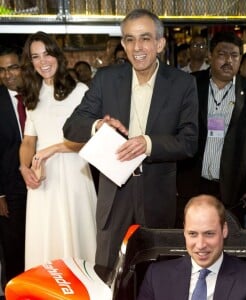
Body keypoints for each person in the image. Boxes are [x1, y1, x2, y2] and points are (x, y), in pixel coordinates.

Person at [63, 8, 199, 270]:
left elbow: (190, 141)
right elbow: (72, 126)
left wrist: (148, 143)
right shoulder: (106, 79)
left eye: (145, 38)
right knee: (109, 271)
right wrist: (98, 125)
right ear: (123, 44)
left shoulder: (182, 84)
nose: (137, 47)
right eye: (129, 39)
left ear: (159, 43)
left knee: (156, 274)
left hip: (157, 194)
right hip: (115, 195)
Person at [19, 31, 97, 270]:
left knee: (78, 240)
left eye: (47, 53)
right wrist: (24, 167)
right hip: (42, 179)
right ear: (30, 62)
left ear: (57, 55)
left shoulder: (80, 91)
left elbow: (90, 140)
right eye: (36, 56)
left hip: (75, 174)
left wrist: (52, 149)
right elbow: (28, 142)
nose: (43, 61)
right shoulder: (32, 95)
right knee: (44, 242)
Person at [177, 31, 246, 227]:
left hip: (232, 186)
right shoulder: (191, 83)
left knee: (229, 241)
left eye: (234, 56)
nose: (228, 61)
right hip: (193, 180)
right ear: (210, 55)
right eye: (222, 54)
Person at [138, 195, 246, 300]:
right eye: (192, 234)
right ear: (184, 231)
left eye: (209, 234)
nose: (201, 245)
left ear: (224, 230)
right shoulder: (156, 276)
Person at [0, 46, 27, 287]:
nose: (7, 75)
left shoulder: (40, 95)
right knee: (14, 248)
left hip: (44, 184)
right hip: (10, 190)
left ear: (23, 67)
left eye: (12, 67)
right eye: (1, 70)